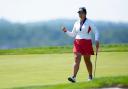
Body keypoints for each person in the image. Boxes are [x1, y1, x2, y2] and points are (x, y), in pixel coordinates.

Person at [62, 7, 99, 82]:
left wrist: (97, 40)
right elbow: (73, 34)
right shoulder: (76, 23)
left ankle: (90, 76)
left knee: (87, 60)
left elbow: (96, 32)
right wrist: (66, 31)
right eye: (79, 13)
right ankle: (73, 77)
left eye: (82, 13)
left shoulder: (89, 22)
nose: (80, 14)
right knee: (77, 58)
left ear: (85, 13)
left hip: (87, 42)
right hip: (78, 42)